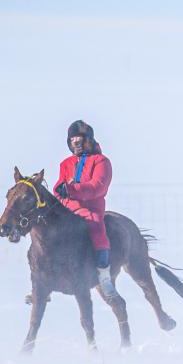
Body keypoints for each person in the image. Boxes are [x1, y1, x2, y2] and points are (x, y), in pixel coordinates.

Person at [52, 120, 119, 298]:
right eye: (72, 138)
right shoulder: (65, 164)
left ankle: (104, 278)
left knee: (97, 229)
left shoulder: (102, 162)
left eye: (79, 138)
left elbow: (98, 187)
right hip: (67, 210)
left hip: (91, 209)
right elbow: (58, 188)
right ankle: (46, 279)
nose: (75, 141)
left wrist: (72, 190)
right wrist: (60, 192)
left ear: (87, 140)